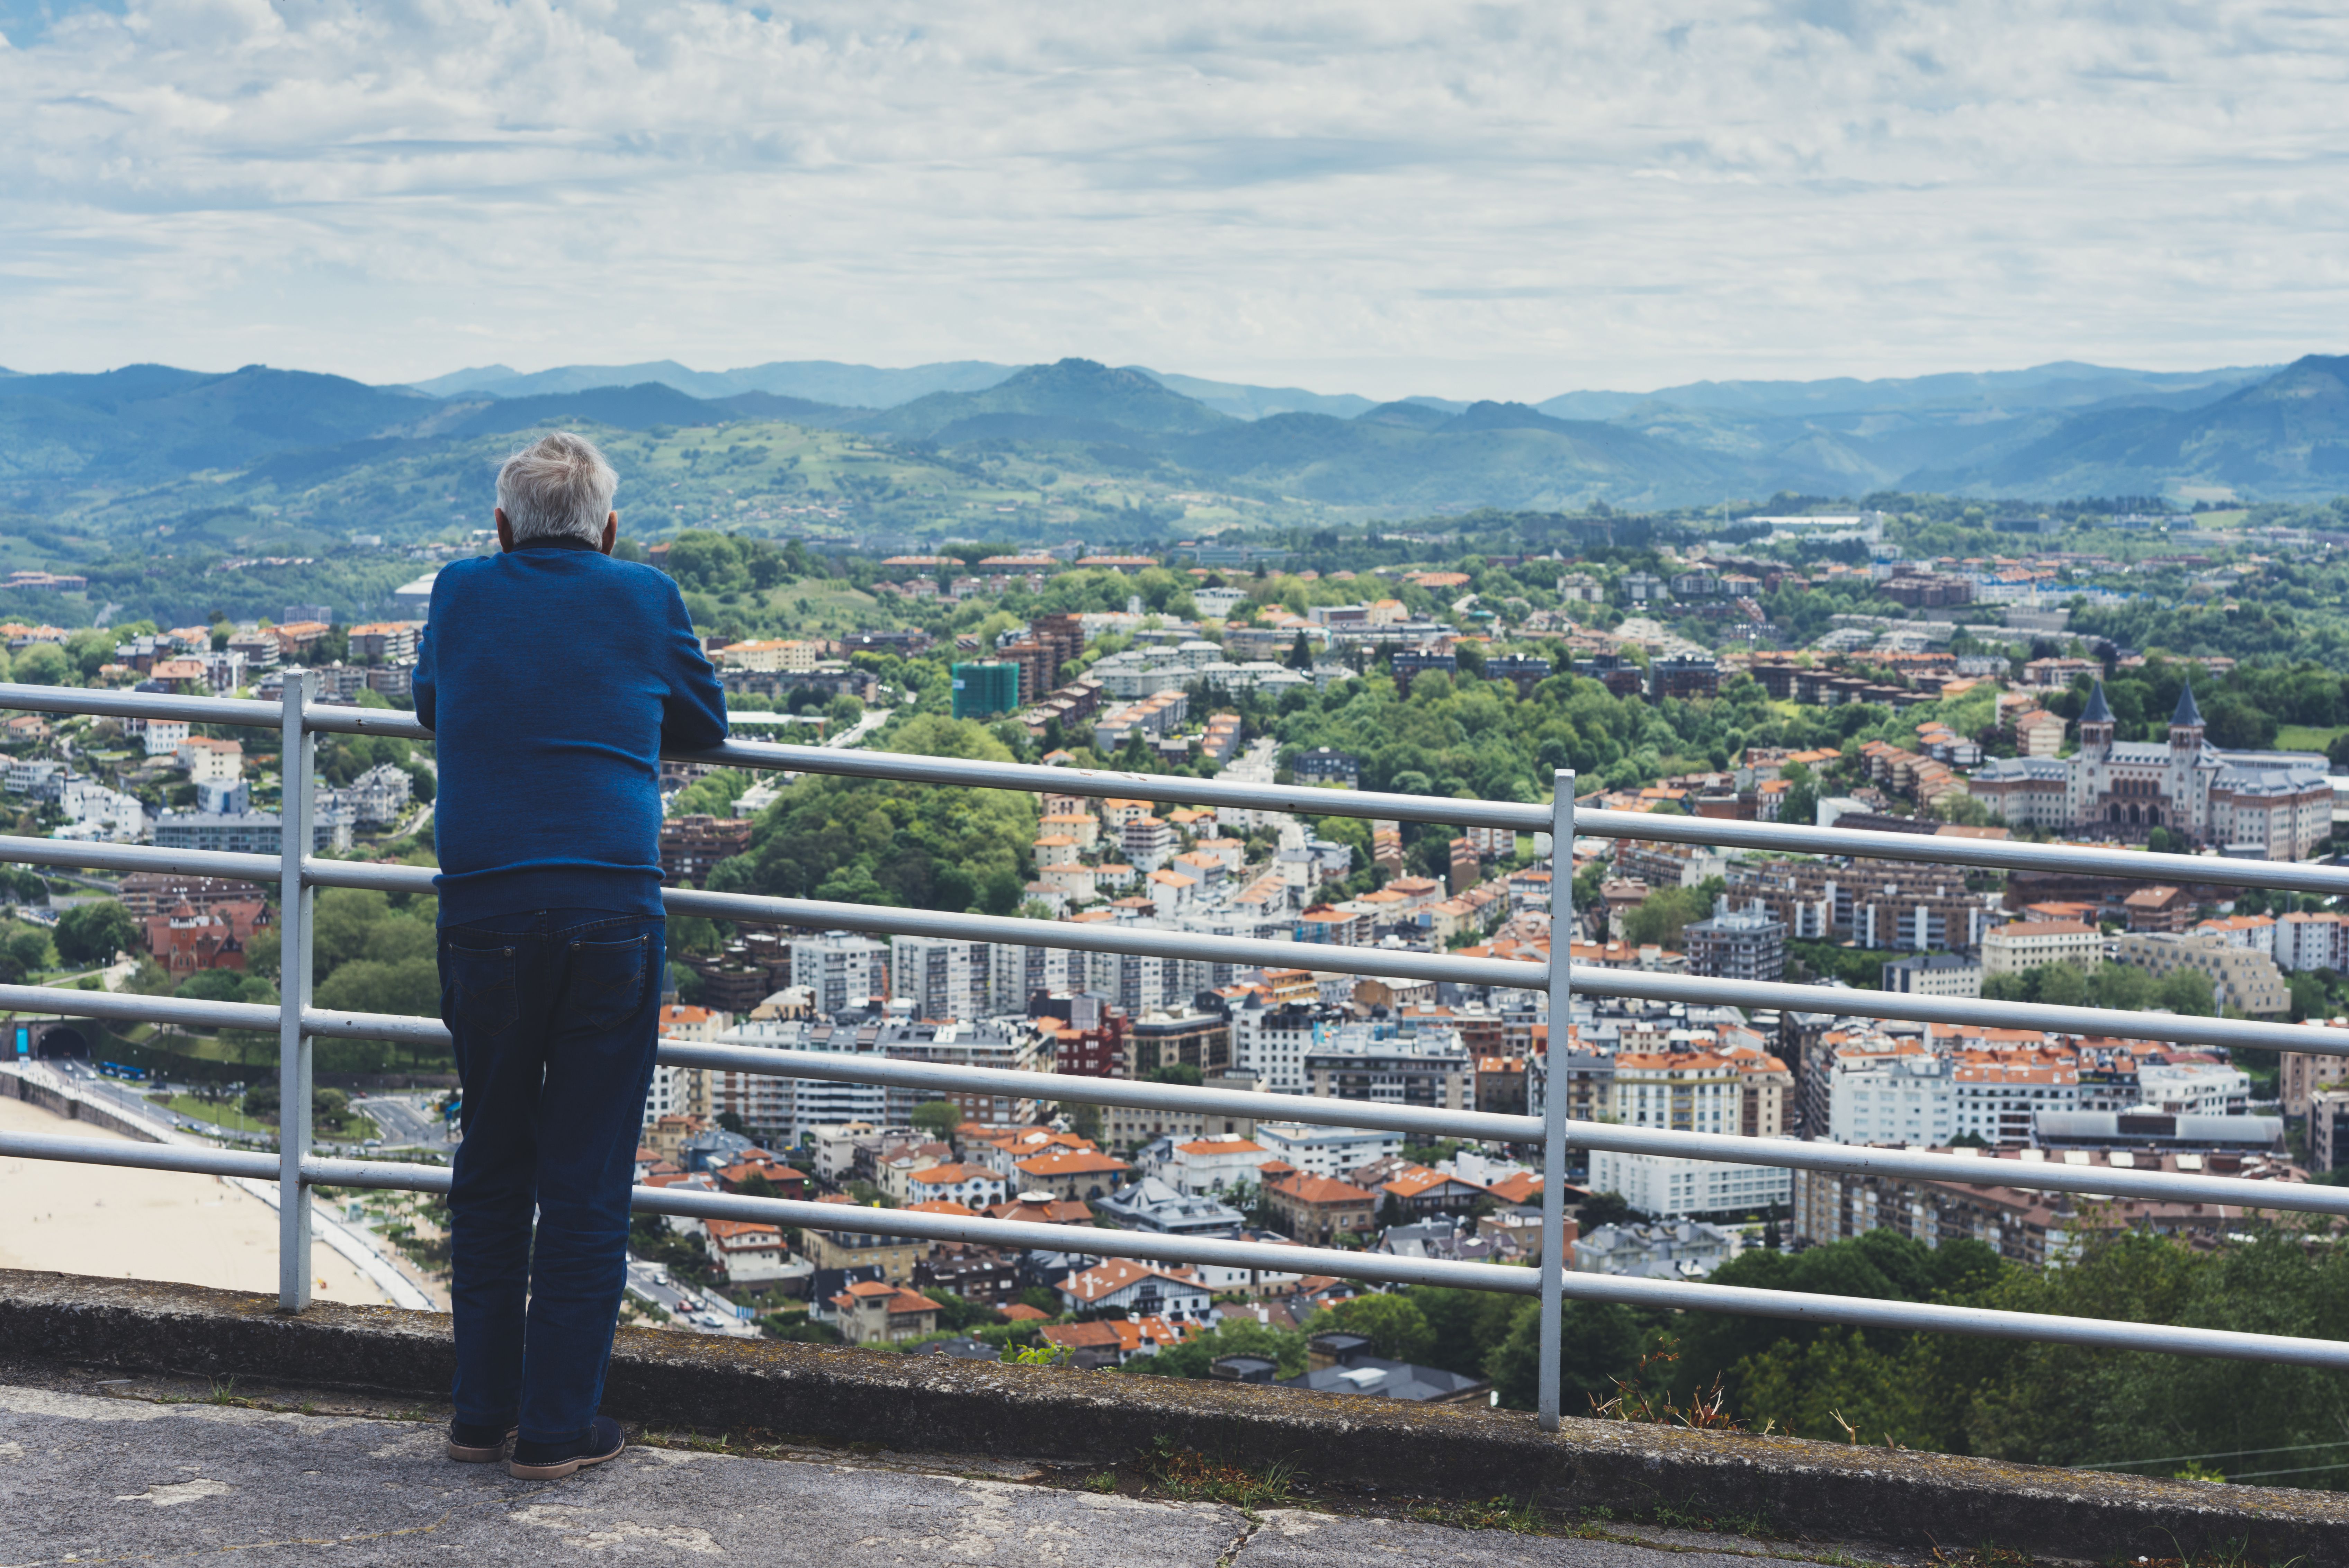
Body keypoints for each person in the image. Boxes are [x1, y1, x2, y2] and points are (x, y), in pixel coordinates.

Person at [414, 431, 726, 1480]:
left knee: (492, 1161)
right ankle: (556, 1427)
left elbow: (433, 706)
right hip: (607, 913)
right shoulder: (644, 595)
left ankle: (476, 1414)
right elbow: (705, 723)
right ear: (609, 527)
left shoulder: (460, 591)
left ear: (501, 528)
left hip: (484, 911)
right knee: (586, 1177)